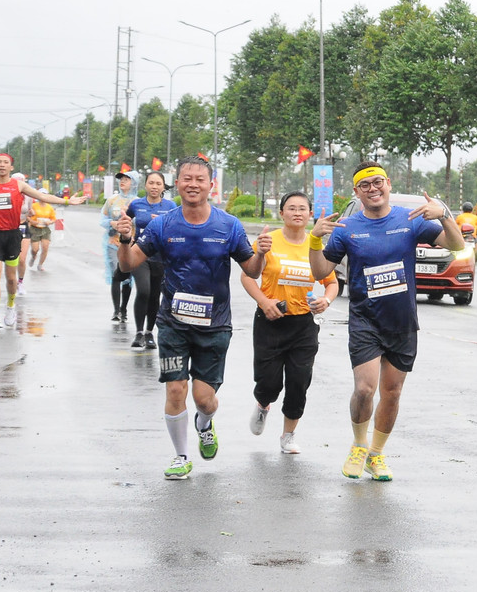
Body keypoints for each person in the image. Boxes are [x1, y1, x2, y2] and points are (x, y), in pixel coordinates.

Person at [113, 156, 268, 480]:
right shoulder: (163, 224)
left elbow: (251, 269)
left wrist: (262, 252)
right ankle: (180, 456)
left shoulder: (228, 225)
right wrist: (125, 240)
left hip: (214, 326)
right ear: (177, 183)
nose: (193, 184)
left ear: (211, 185)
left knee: (204, 399)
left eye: (200, 179)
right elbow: (128, 266)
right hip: (173, 323)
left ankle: (204, 423)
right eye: (187, 178)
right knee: (175, 390)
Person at [308, 160, 463, 481]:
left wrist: (445, 216)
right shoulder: (348, 228)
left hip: (402, 321)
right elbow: (321, 272)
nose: (373, 189)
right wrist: (314, 240)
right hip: (365, 320)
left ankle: (376, 454)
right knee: (365, 389)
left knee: (392, 393)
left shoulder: (410, 220)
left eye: (378, 182)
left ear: (388, 184)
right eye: (365, 185)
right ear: (356, 192)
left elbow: (457, 245)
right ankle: (359, 445)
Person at [241, 191, 338, 455]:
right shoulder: (267, 241)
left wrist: (325, 302)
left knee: (299, 381)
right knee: (268, 382)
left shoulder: (315, 246)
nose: (297, 212)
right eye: (291, 208)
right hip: (270, 321)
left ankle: (288, 435)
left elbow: (331, 283)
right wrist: (264, 302)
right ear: (281, 213)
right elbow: (248, 276)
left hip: (303, 325)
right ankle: (263, 404)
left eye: (302, 208)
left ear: (310, 215)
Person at [0, 154, 85, 328]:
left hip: (12, 235)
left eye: (5, 163)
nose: (2, 165)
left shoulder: (18, 185)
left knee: (10, 278)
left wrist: (67, 201)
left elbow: (43, 197)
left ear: (11, 167)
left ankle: (10, 306)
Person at [125, 171, 176, 350]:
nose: (154, 187)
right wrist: (128, 236)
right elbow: (125, 220)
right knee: (144, 290)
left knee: (155, 295)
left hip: (161, 257)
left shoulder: (171, 206)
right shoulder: (137, 204)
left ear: (163, 187)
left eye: (158, 183)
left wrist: (163, 223)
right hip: (140, 254)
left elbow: (177, 229)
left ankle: (149, 332)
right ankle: (138, 332)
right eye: (151, 183)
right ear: (145, 185)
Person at [102, 170, 138, 323]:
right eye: (121, 179)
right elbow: (102, 219)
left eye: (126, 179)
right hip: (112, 244)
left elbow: (142, 222)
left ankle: (124, 309)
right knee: (115, 275)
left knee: (127, 277)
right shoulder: (112, 200)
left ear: (134, 183)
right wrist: (112, 223)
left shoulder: (138, 202)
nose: (122, 182)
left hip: (130, 245)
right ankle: (116, 310)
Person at [26, 192, 56, 271]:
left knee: (45, 247)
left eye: (45, 195)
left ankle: (40, 264)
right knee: (35, 249)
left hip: (45, 229)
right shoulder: (33, 206)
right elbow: (27, 216)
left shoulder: (50, 207)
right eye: (41, 195)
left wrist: (50, 222)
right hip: (35, 229)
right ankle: (33, 257)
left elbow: (53, 218)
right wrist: (32, 221)